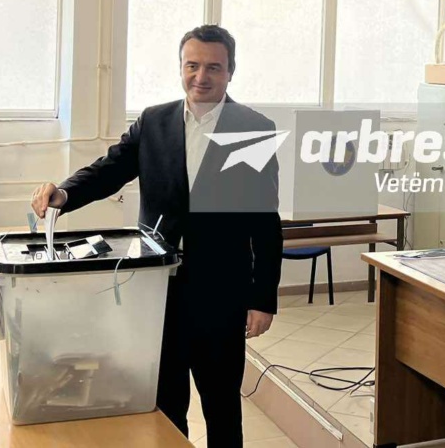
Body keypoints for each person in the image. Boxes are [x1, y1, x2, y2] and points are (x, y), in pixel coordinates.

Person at [31, 25, 282, 448]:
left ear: (230, 71)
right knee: (165, 403)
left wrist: (263, 298)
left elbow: (265, 220)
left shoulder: (254, 128)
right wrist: (65, 194)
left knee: (222, 405)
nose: (201, 76)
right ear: (180, 67)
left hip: (222, 292)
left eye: (213, 67)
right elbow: (110, 170)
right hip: (159, 290)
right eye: (192, 65)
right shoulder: (153, 121)